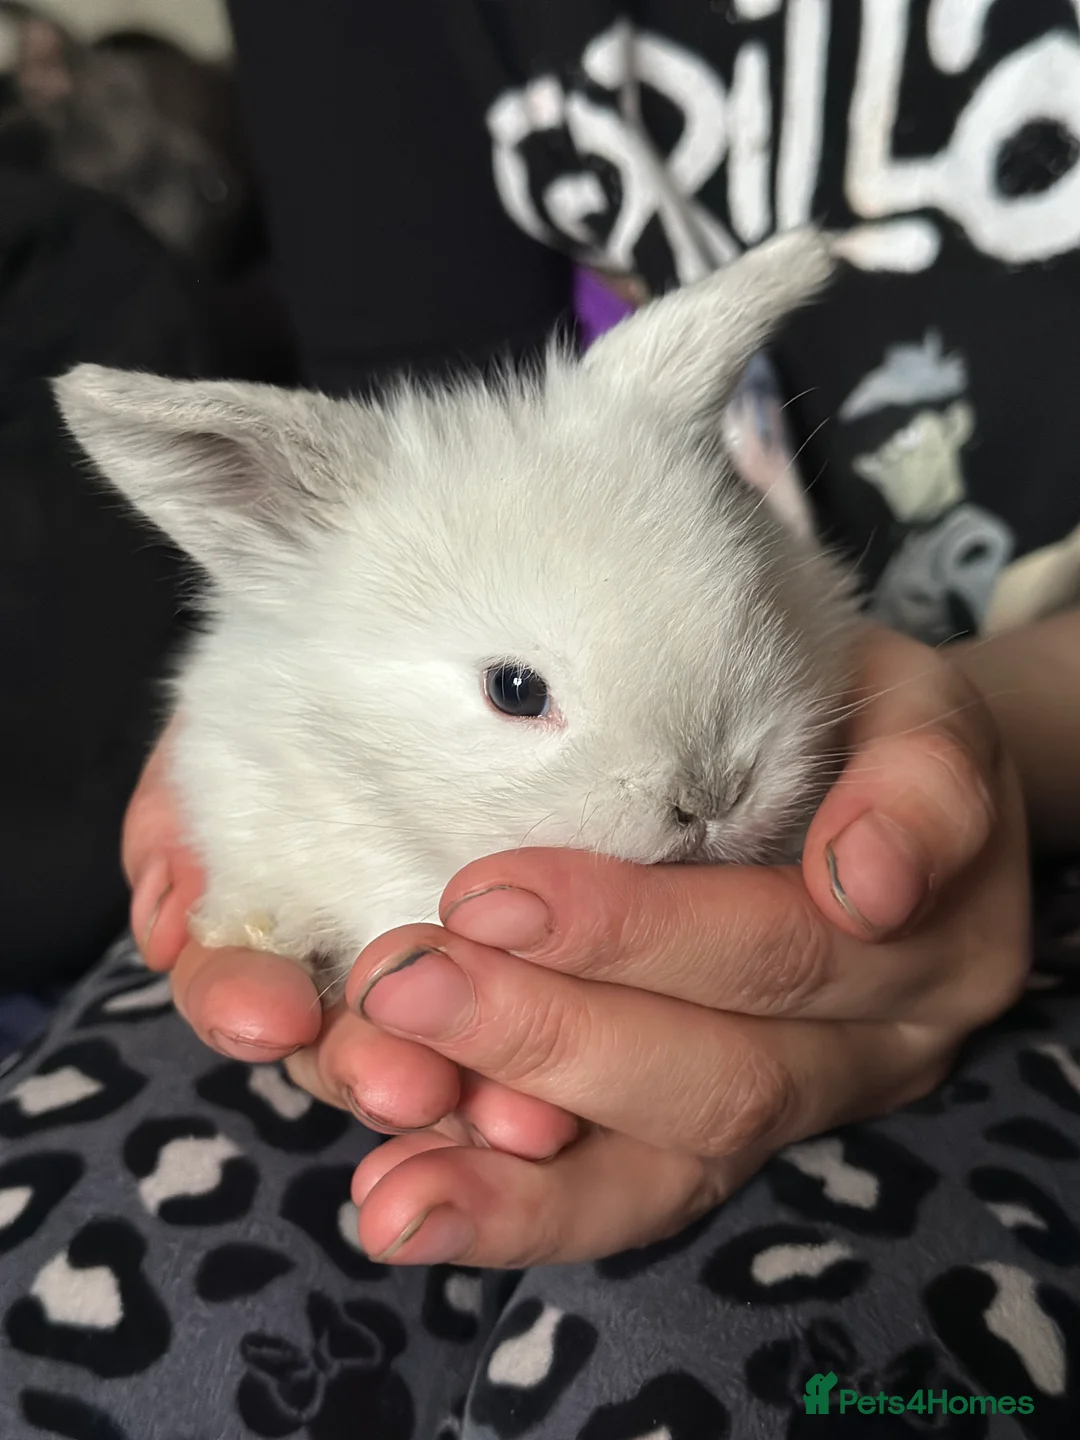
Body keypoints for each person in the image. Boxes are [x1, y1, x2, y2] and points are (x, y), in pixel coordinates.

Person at [2, 2, 1079, 1436]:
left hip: (1011, 876)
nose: (696, 792)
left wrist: (986, 743)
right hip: (388, 1044)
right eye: (518, 696)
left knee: (740, 1378)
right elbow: (437, 417)